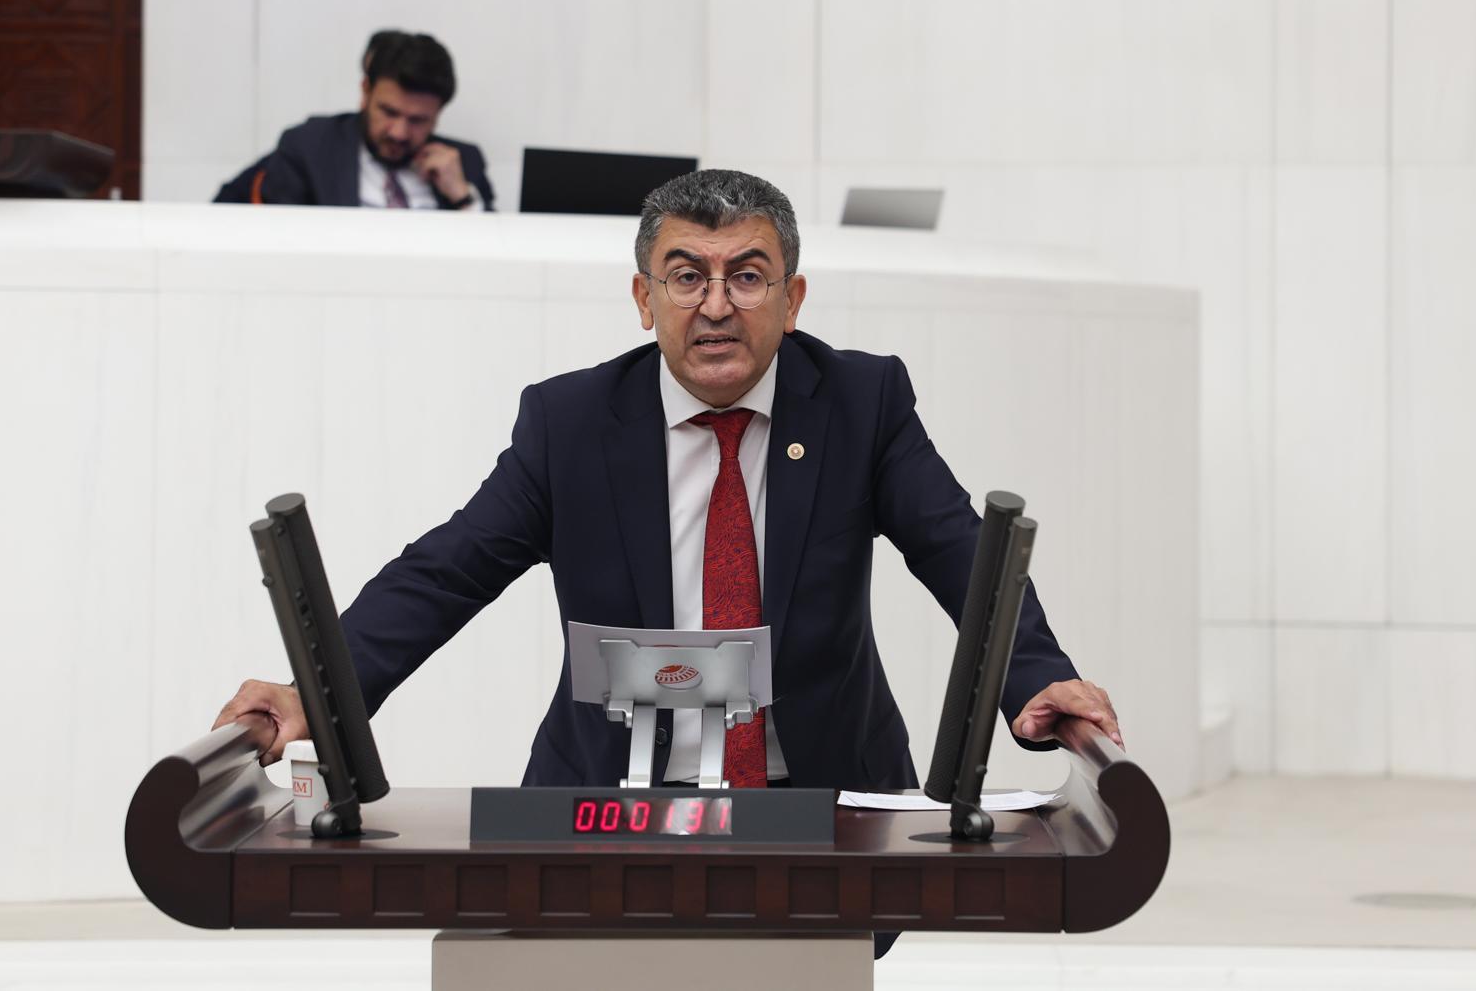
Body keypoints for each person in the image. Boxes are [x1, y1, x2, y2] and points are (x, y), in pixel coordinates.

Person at [214, 168, 1120, 957]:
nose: (716, 305)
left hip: (815, 800)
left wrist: (1040, 674)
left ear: (794, 297)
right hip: (606, 804)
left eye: (747, 276)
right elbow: (447, 570)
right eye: (686, 276)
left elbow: (958, 548)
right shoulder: (570, 423)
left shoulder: (861, 400)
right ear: (644, 298)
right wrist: (314, 692)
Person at [213, 30, 494, 209]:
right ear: (365, 93)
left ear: (437, 116)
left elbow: (498, 261)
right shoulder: (312, 147)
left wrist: (463, 198)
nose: (398, 132)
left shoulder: (465, 163)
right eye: (389, 112)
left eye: (417, 120)